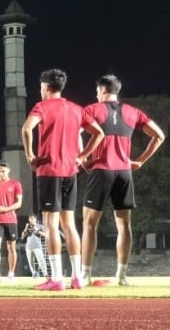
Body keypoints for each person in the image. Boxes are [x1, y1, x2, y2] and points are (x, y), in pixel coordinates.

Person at [22, 68, 104, 291]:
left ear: (46, 87)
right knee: (70, 225)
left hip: (49, 171)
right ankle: (77, 277)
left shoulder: (42, 107)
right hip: (70, 172)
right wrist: (82, 156)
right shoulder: (76, 109)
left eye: (40, 86)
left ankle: (56, 278)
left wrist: (30, 155)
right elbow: (99, 133)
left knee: (50, 224)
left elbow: (27, 128)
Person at [80, 75, 165, 287]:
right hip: (124, 172)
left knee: (89, 224)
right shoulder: (133, 112)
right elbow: (159, 135)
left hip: (101, 169)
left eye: (97, 91)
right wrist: (140, 161)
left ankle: (85, 274)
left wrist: (81, 156)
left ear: (102, 90)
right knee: (124, 225)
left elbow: (74, 132)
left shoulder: (92, 109)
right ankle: (121, 276)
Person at [21, 213, 48, 279]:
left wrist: (37, 230)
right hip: (29, 247)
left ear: (35, 219)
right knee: (31, 262)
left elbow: (45, 235)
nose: (31, 220)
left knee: (41, 260)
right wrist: (25, 228)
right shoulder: (28, 226)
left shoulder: (40, 226)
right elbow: (22, 237)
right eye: (30, 218)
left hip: (37, 246)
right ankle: (34, 274)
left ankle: (45, 274)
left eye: (33, 218)